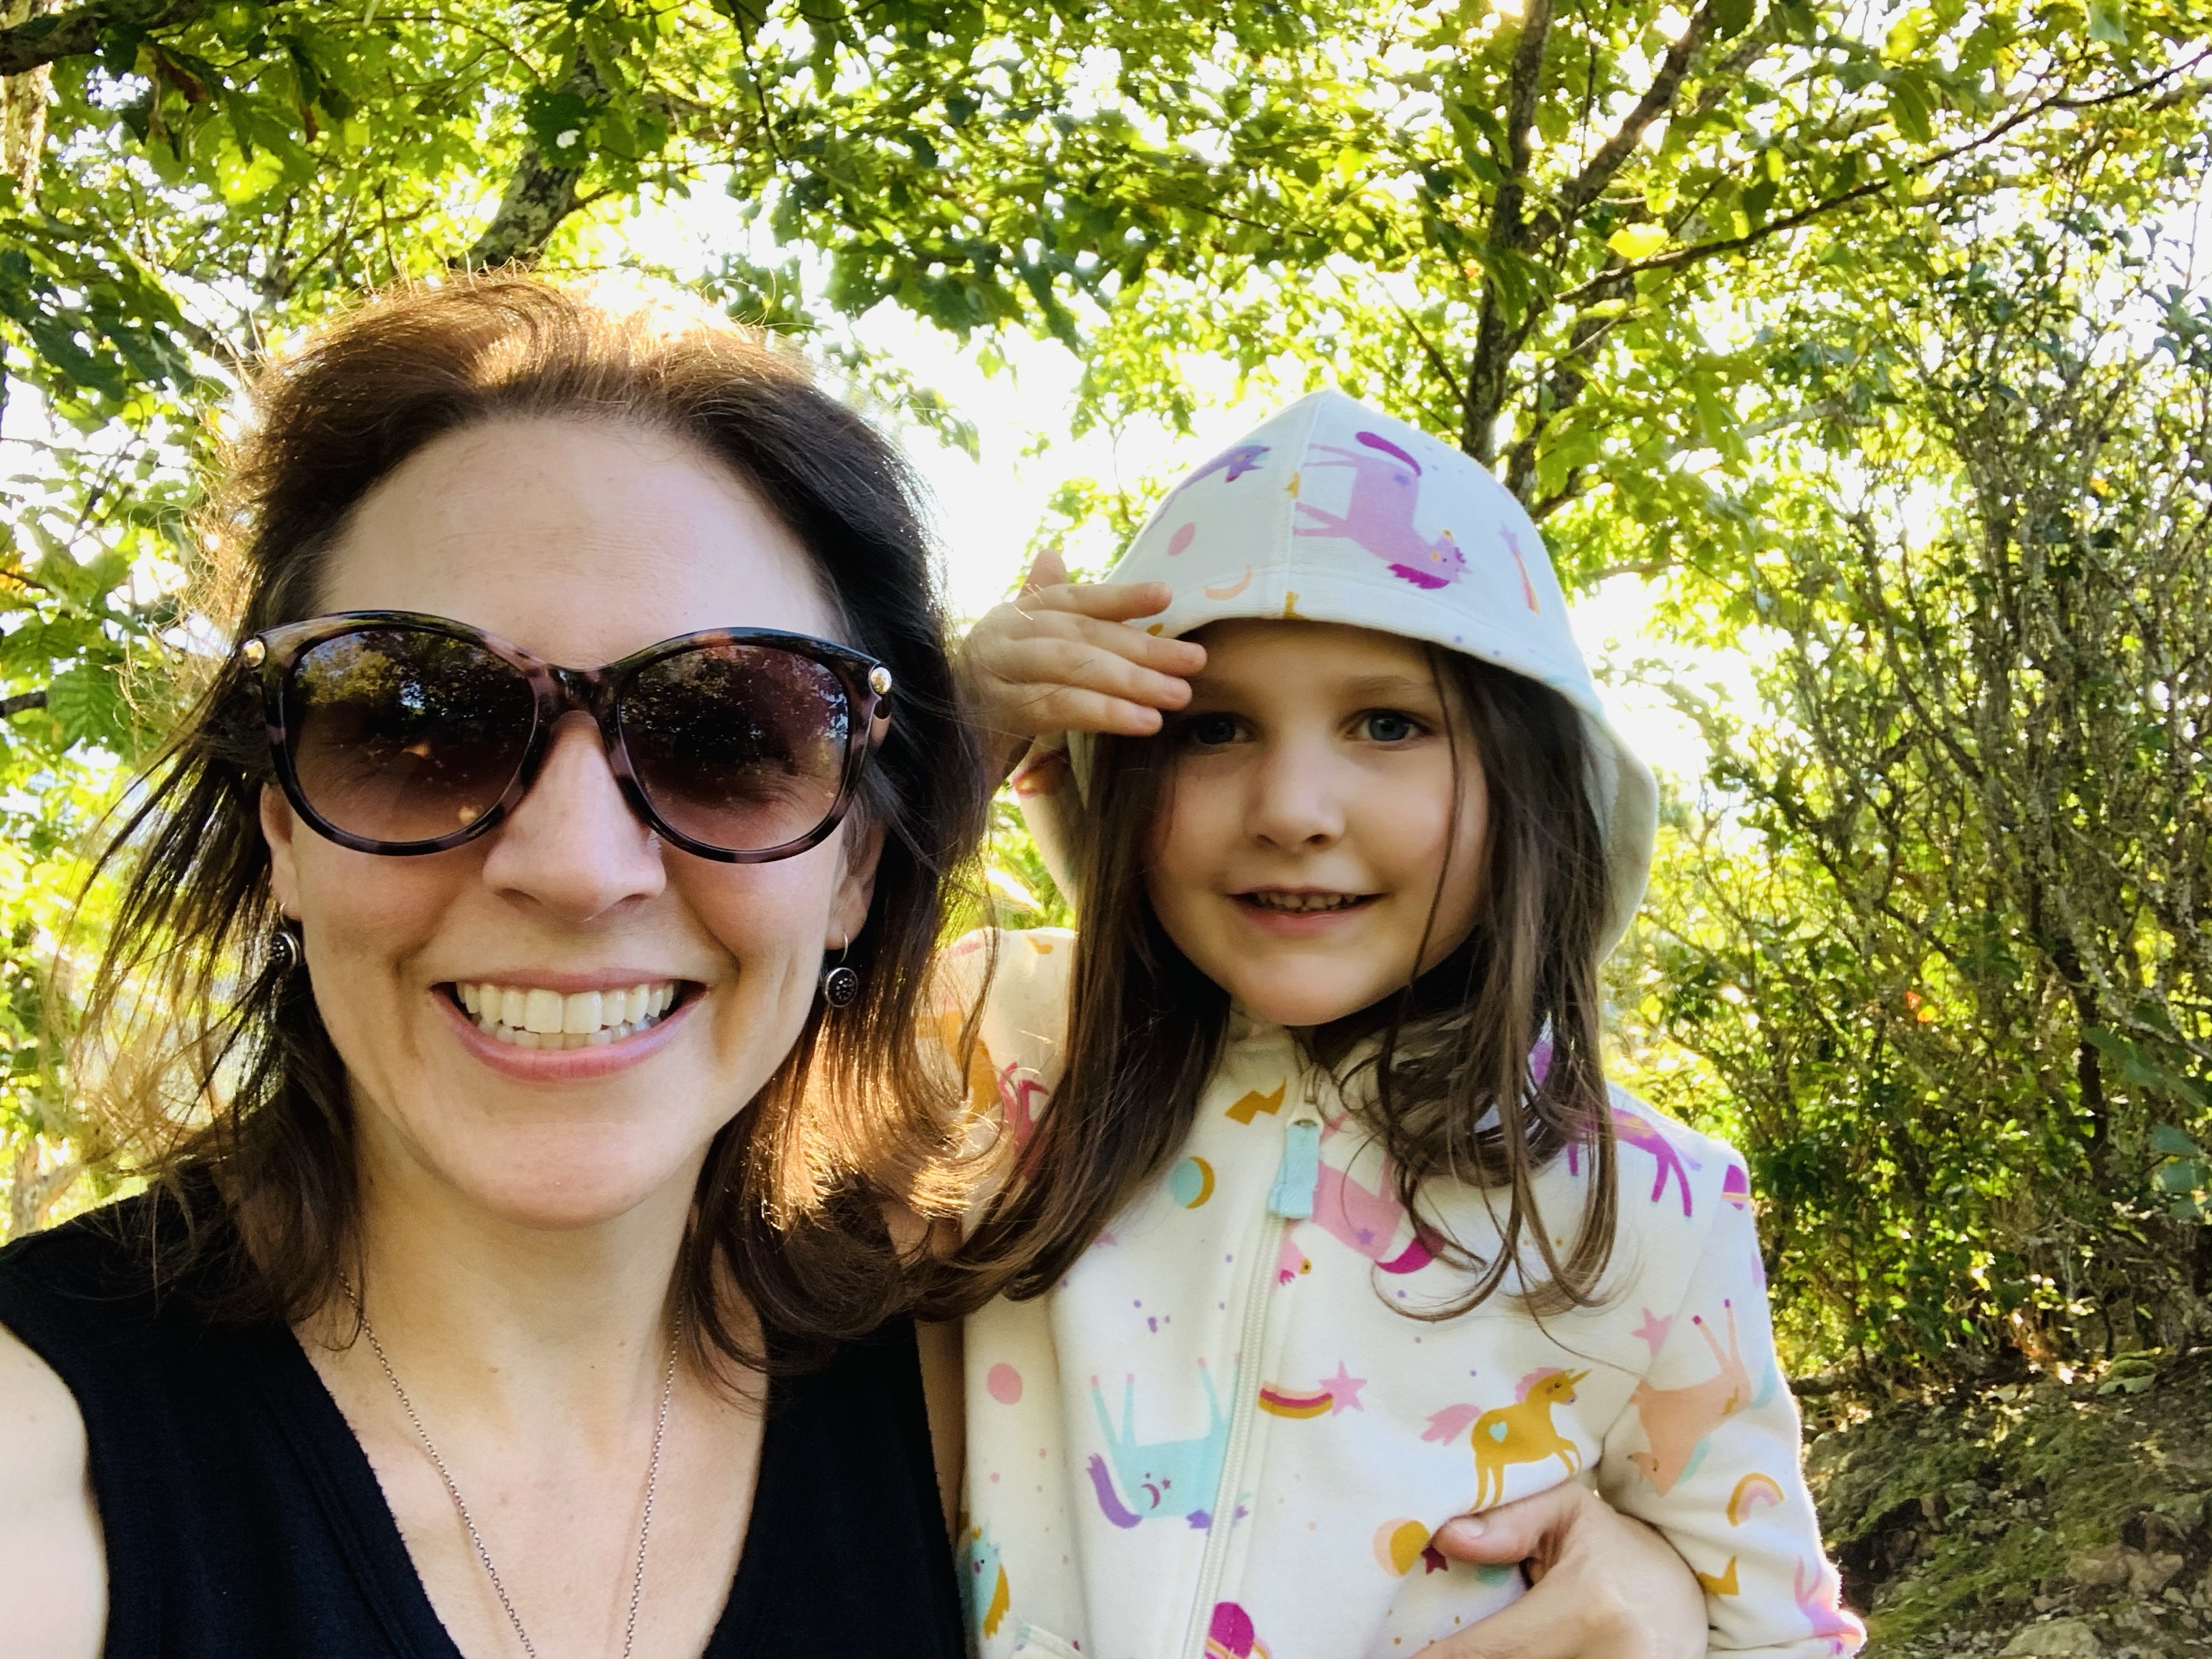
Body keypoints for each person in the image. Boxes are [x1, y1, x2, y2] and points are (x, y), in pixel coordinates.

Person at [0, 277, 984, 1658]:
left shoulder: (977, 1395)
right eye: (418, 723)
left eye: (730, 738)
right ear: (281, 830)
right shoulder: (41, 1457)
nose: (575, 867)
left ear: (856, 868)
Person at [944, 390, 1865, 1658]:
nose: (1293, 808)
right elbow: (753, 1014)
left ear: (1531, 787)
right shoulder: (989, 1034)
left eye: (1389, 724)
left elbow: (1771, 1633)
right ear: (1124, 768)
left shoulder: (1655, 1211)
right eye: (1217, 728)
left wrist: (1655, 1620)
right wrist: (951, 749)